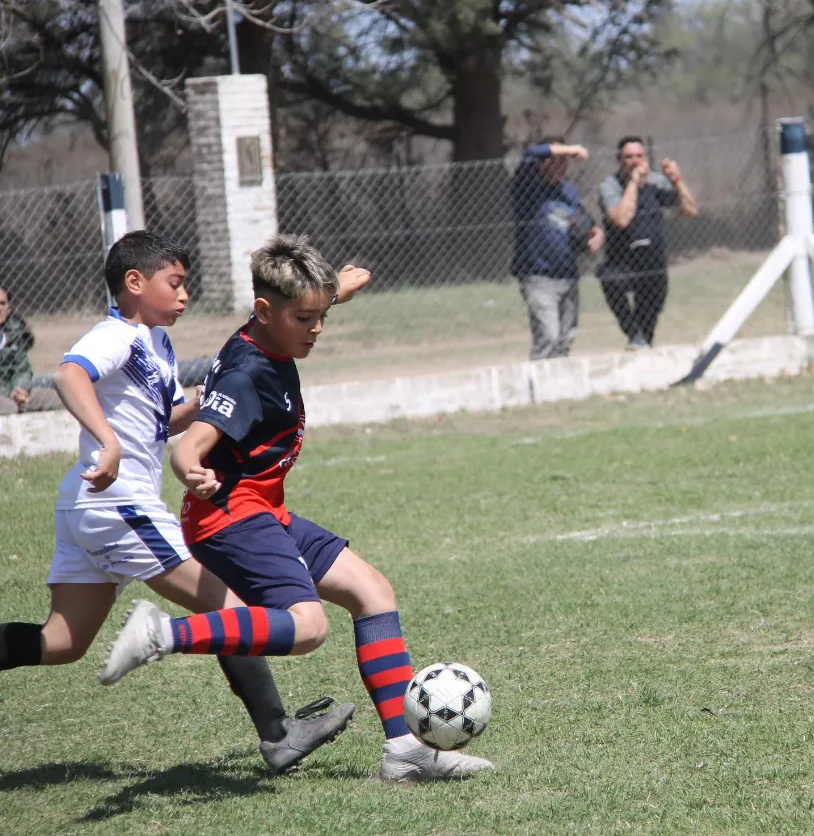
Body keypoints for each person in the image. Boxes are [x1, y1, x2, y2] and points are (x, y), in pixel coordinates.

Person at [100, 234, 494, 783]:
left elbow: (307, 301)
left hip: (264, 510)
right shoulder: (248, 374)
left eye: (322, 314)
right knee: (307, 628)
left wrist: (339, 288)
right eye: (305, 318)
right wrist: (189, 463)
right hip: (230, 518)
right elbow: (194, 440)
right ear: (265, 311)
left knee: (373, 592)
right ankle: (161, 636)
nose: (317, 329)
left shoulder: (268, 330)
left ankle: (404, 751)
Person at [0, 231, 355, 773]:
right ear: (135, 283)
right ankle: (279, 733)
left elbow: (165, 420)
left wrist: (211, 392)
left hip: (85, 506)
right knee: (230, 608)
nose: (185, 294)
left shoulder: (157, 344)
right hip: (117, 500)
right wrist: (108, 439)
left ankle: (279, 733)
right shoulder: (117, 334)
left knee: (62, 640)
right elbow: (72, 375)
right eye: (176, 282)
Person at [599, 137, 698, 350]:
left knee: (649, 317)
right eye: (629, 157)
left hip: (652, 262)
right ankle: (634, 335)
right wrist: (634, 183)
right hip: (622, 263)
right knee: (609, 279)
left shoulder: (656, 182)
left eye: (639, 156)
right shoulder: (611, 186)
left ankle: (642, 345)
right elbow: (622, 219)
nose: (635, 161)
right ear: (619, 160)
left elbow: (690, 210)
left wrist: (677, 180)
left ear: (646, 158)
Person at [510, 137, 604, 360]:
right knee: (548, 337)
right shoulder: (527, 188)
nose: (560, 167)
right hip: (538, 275)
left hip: (568, 274)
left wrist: (597, 233)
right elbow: (531, 153)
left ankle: (557, 388)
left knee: (565, 338)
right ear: (543, 163)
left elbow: (584, 220)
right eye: (555, 161)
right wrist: (572, 149)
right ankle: (536, 388)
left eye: (564, 163)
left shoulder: (568, 191)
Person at [0, 284, 61, 414]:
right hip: (6, 396)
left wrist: (20, 389)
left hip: (13, 393)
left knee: (61, 398)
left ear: (9, 309)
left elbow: (22, 370)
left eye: (2, 303)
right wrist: (8, 394)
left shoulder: (14, 334)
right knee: (9, 407)